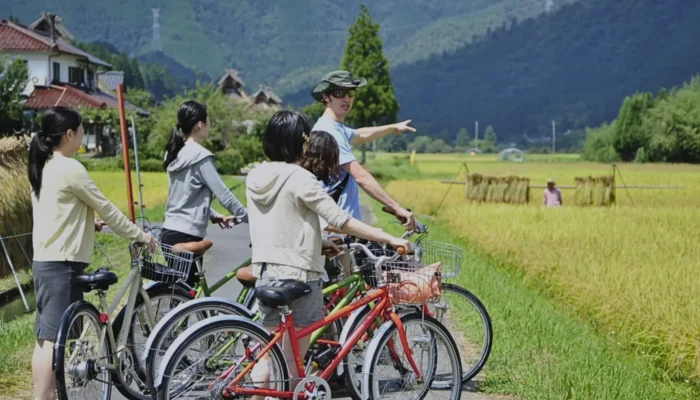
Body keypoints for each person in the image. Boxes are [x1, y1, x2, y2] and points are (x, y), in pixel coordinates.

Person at [246, 110, 411, 393]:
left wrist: (318, 241)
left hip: (264, 270)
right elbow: (341, 220)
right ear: (299, 142)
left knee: (266, 348)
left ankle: (257, 392)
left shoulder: (255, 175)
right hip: (299, 275)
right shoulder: (300, 178)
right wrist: (387, 236)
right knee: (292, 357)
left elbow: (283, 220)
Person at [28, 106, 156, 400]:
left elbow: (59, 211)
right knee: (52, 340)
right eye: (81, 129)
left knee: (45, 337)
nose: (83, 134)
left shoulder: (45, 165)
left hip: (46, 261)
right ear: (69, 134)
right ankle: (44, 396)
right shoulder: (70, 168)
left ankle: (42, 394)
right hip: (62, 264)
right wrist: (140, 234)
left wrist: (88, 222)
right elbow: (107, 208)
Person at [310, 70, 418, 231]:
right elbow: (361, 177)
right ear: (326, 97)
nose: (346, 98)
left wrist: (393, 127)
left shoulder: (333, 127)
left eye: (350, 92)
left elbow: (361, 134)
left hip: (339, 225)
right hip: (337, 227)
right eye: (339, 93)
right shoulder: (330, 132)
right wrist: (397, 207)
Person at [160, 100, 249, 287]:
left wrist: (214, 216)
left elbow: (183, 196)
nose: (209, 126)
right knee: (188, 298)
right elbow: (224, 194)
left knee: (181, 294)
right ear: (200, 125)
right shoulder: (201, 156)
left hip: (169, 232)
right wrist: (249, 217)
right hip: (187, 235)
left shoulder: (173, 152)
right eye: (208, 122)